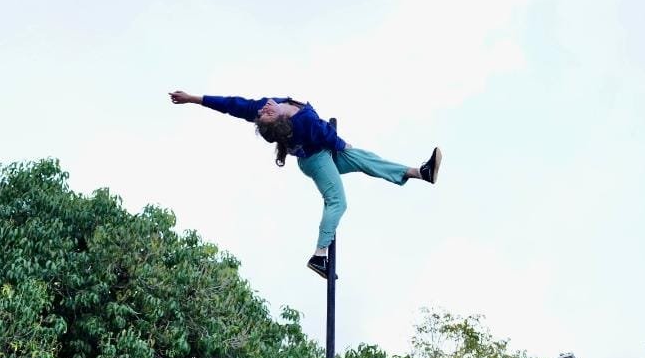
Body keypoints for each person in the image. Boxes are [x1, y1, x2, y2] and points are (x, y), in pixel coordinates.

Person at [169, 90, 441, 279]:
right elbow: (326, 136)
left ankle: (420, 172)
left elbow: (230, 104)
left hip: (320, 153)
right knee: (337, 202)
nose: (264, 107)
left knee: (367, 160)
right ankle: (319, 255)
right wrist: (342, 143)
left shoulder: (268, 106)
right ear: (280, 120)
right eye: (266, 113)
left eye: (264, 111)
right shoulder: (303, 123)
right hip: (316, 159)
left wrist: (192, 98)